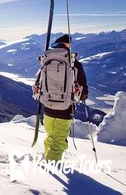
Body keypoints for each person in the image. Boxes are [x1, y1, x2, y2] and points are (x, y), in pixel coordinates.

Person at [33, 34, 88, 162]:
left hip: (47, 108)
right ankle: (52, 168)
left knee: (51, 137)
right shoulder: (74, 64)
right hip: (65, 110)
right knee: (58, 142)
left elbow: (38, 84)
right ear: (67, 45)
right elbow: (84, 92)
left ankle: (48, 159)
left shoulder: (45, 62)